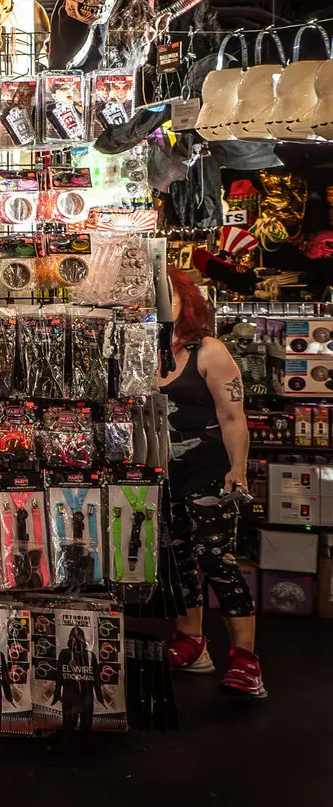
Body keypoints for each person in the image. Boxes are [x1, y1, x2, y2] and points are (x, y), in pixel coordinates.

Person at [160, 267, 263, 696]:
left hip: (209, 473)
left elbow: (234, 416)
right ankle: (192, 641)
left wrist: (237, 471)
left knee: (217, 560)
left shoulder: (209, 350)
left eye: (169, 298)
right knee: (178, 558)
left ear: (186, 302)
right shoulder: (141, 350)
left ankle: (245, 659)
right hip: (166, 472)